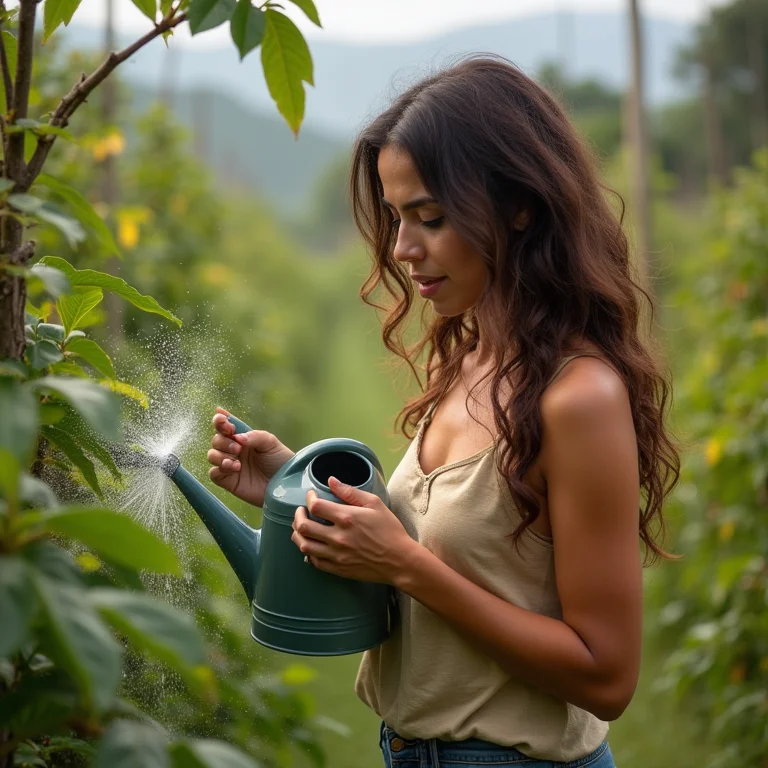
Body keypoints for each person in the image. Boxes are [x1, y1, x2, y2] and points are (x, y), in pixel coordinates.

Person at [207, 54, 680, 768]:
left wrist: (406, 567)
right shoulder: (467, 359)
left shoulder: (579, 398)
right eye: (396, 217)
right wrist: (297, 488)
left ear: (520, 207)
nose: (403, 248)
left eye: (430, 217)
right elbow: (455, 555)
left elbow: (606, 676)